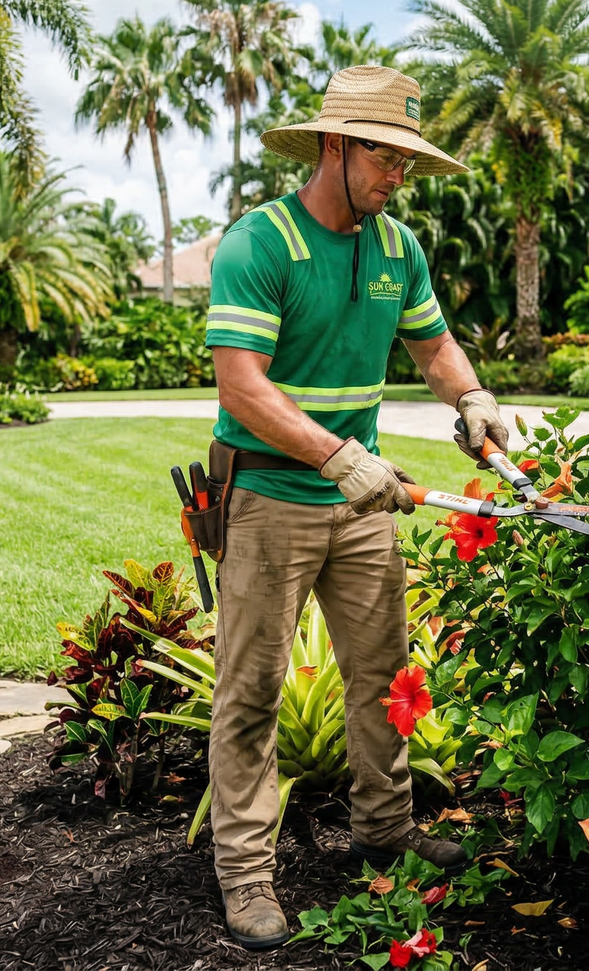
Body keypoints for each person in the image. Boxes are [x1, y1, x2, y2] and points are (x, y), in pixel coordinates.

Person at [203, 65, 508, 949]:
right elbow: (244, 388)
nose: (398, 176)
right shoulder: (258, 244)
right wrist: (339, 455)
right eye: (385, 156)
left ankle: (386, 832)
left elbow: (435, 342)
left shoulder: (396, 247)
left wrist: (471, 398)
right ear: (335, 146)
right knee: (252, 688)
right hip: (270, 497)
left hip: (361, 497)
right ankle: (246, 874)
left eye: (408, 162)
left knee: (384, 675)